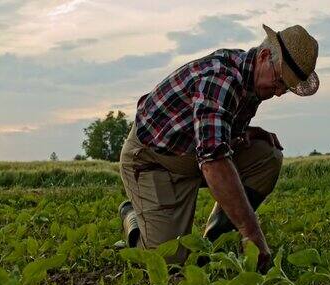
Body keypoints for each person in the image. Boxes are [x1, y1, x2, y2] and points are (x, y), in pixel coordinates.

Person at [118, 24, 319, 271]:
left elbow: (213, 130)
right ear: (265, 56)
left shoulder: (254, 80)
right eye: (279, 81)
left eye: (285, 89)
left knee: (267, 155)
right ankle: (133, 218)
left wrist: (244, 133)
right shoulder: (221, 78)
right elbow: (214, 160)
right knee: (167, 263)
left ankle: (211, 246)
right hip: (154, 162)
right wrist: (250, 231)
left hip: (193, 155)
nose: (278, 93)